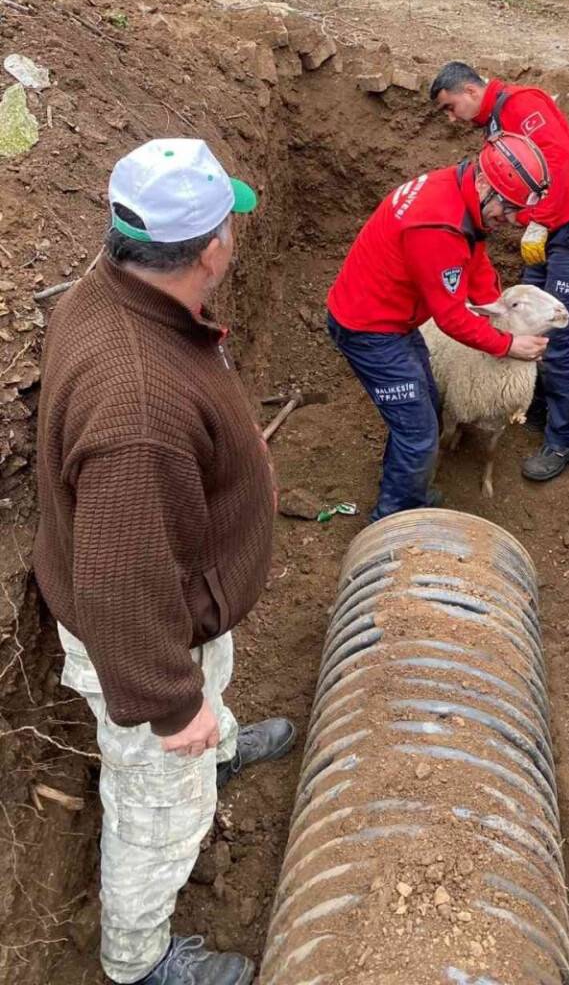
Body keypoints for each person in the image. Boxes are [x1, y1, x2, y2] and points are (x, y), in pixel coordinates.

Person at [34, 139, 295, 985]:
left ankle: (211, 742)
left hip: (179, 599)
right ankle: (138, 960)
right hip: (148, 640)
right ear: (213, 249)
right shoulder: (136, 408)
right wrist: (172, 707)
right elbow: (120, 583)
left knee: (194, 722)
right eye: (231, 225)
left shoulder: (115, 292)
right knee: (156, 808)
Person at [327, 136, 550, 518]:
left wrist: (494, 306)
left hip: (393, 318)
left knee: (425, 407)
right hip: (370, 330)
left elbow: (475, 255)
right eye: (509, 208)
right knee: (418, 433)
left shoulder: (460, 194)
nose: (512, 220)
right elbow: (449, 317)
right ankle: (393, 516)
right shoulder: (437, 227)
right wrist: (506, 343)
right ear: (485, 184)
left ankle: (404, 486)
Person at [429, 62, 569, 483]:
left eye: (450, 107)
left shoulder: (521, 105)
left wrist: (542, 219)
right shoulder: (496, 121)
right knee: (520, 324)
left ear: (471, 90)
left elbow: (559, 156)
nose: (452, 117)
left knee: (558, 339)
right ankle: (543, 410)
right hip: (549, 233)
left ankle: (564, 440)